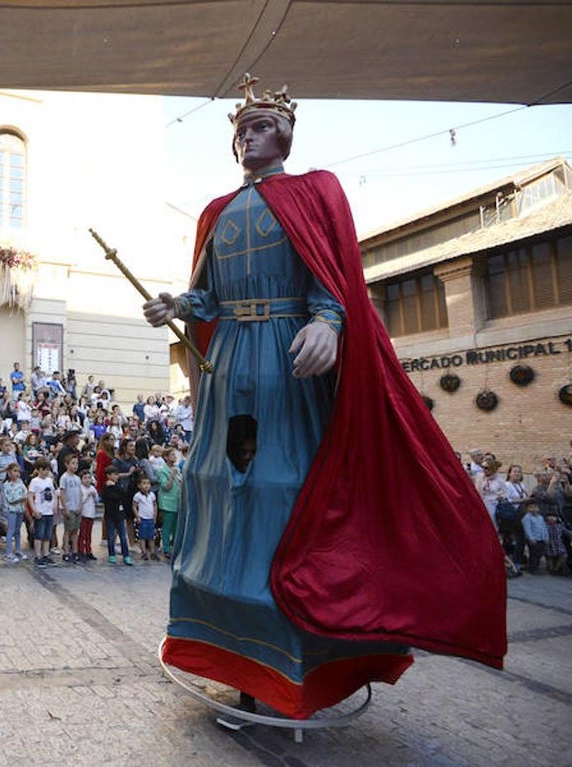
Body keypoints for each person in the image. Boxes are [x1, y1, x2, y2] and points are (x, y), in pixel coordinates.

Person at [143, 75, 505, 722]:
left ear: (281, 134)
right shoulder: (216, 212)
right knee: (225, 486)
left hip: (287, 362)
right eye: (238, 131)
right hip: (231, 366)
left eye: (255, 127)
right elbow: (211, 297)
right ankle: (232, 656)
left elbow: (332, 278)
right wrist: (178, 303)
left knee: (285, 486)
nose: (243, 139)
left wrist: (328, 322)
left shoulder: (316, 191)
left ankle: (296, 665)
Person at [26, 459, 56, 567]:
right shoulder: (35, 481)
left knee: (47, 535)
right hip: (40, 511)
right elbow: (30, 496)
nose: (46, 472)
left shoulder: (49, 480)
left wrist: (55, 505)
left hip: (49, 511)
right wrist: (34, 509)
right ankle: (38, 555)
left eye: (48, 470)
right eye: (44, 470)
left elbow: (53, 493)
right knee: (39, 535)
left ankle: (46, 554)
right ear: (39, 470)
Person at [101, 465, 132, 565]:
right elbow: (110, 497)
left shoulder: (118, 485)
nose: (116, 476)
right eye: (114, 475)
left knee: (123, 536)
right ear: (108, 476)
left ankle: (126, 555)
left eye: (117, 474)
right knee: (111, 536)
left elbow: (123, 494)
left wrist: (115, 487)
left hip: (120, 514)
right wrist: (117, 495)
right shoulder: (105, 487)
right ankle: (112, 554)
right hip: (110, 515)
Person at [1, 463, 28, 563]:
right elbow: (10, 499)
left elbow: (25, 492)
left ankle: (18, 549)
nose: (17, 474)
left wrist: (23, 500)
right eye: (14, 471)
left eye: (18, 471)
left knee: (18, 530)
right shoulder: (6, 485)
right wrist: (21, 498)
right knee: (11, 531)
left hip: (20, 510)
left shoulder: (20, 482)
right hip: (12, 510)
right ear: (9, 472)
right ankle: (8, 553)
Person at [58, 454, 82, 563]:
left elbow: (80, 493)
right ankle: (66, 551)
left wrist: (80, 505)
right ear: (67, 464)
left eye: (76, 463)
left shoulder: (77, 478)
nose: (75, 466)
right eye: (73, 463)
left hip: (77, 507)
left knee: (75, 531)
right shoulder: (64, 478)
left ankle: (75, 550)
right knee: (68, 530)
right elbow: (62, 494)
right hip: (69, 507)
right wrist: (65, 507)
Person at [132, 476, 157, 560]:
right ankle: (144, 552)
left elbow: (154, 505)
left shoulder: (152, 495)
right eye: (144, 483)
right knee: (142, 536)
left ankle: (152, 551)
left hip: (150, 518)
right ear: (139, 485)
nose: (146, 486)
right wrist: (137, 516)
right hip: (142, 518)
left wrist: (155, 515)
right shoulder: (137, 496)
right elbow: (134, 506)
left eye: (148, 483)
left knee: (151, 536)